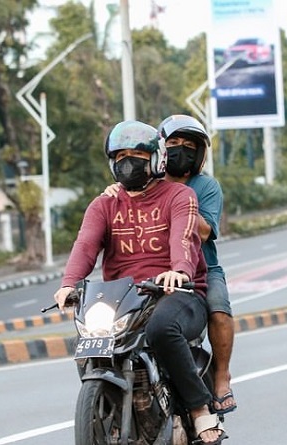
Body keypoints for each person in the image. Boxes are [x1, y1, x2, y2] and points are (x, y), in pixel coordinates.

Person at [54, 120, 227, 444]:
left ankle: (199, 409)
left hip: (177, 292)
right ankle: (109, 411)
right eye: (121, 156)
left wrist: (179, 270)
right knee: (89, 341)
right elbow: (86, 245)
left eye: (137, 154)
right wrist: (69, 283)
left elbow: (184, 238)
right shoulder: (104, 204)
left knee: (161, 329)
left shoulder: (180, 195)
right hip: (124, 297)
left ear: (156, 159)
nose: (128, 161)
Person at [105, 114, 237, 415]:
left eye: (188, 146)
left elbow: (204, 231)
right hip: (149, 271)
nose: (180, 150)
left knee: (217, 309)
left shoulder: (205, 187)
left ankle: (220, 377)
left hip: (198, 269)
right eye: (173, 143)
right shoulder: (145, 179)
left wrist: (179, 205)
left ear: (199, 153)